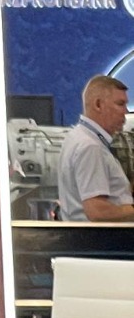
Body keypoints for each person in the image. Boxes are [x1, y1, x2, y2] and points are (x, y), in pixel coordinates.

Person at [57, 75, 134, 223]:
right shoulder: (90, 146)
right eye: (120, 104)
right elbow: (98, 212)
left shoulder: (77, 136)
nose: (125, 111)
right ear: (98, 104)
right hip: (101, 237)